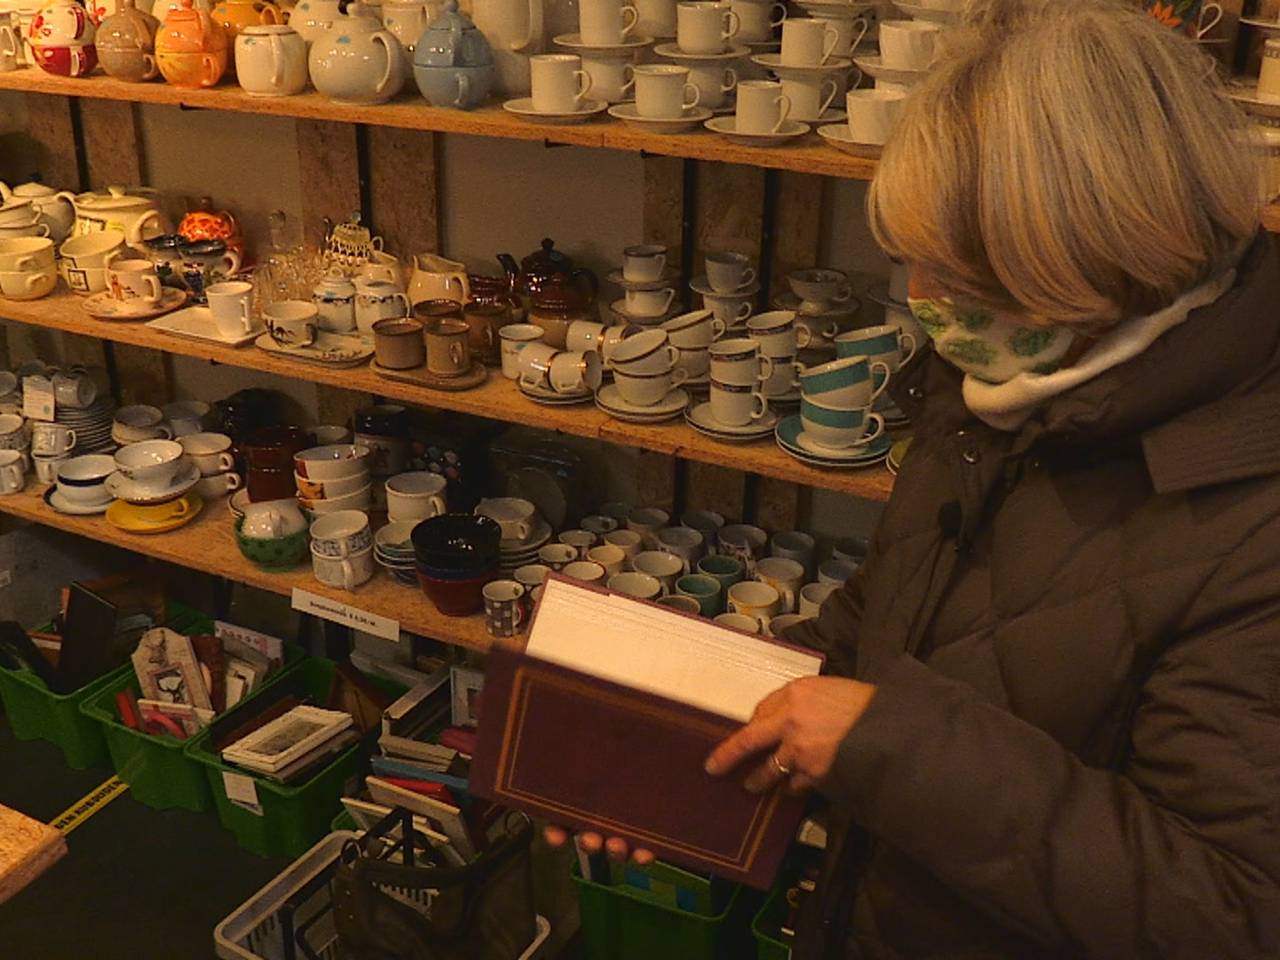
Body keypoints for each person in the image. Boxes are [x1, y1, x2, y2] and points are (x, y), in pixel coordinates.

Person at [558, 1, 1280, 956]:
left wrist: (887, 747)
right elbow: (892, 622)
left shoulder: (1250, 525)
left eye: (962, 274)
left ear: (1094, 253)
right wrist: (685, 741)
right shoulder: (1009, 388)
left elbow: (1232, 912)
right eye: (915, 263)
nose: (924, 302)